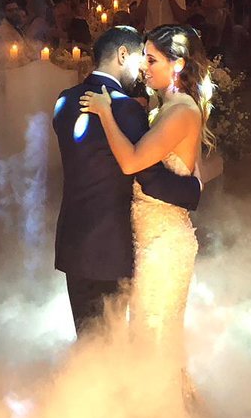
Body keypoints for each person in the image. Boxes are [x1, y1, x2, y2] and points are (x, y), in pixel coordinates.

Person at [80, 24, 217, 399]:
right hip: (148, 236)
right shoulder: (164, 108)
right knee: (146, 332)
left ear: (178, 64)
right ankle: (154, 413)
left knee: (154, 334)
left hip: (164, 243)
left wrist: (105, 113)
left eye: (152, 60)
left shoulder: (182, 110)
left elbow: (132, 162)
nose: (143, 67)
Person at [53, 26, 203, 340]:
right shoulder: (127, 109)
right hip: (112, 244)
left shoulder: (63, 101)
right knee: (115, 347)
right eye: (142, 58)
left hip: (73, 241)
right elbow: (150, 178)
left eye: (152, 60)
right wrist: (193, 190)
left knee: (89, 344)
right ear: (123, 55)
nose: (143, 68)